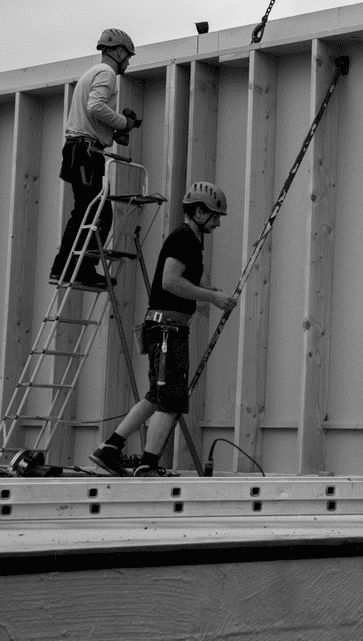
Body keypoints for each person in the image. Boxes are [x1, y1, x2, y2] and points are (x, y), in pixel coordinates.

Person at [89, 182, 238, 476]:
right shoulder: (184, 238)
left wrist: (207, 292)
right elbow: (170, 281)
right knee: (171, 400)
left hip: (166, 327)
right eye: (214, 216)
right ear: (198, 211)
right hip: (168, 329)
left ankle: (109, 449)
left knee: (157, 396)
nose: (218, 223)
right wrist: (213, 297)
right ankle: (147, 464)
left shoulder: (189, 239)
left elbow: (175, 284)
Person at [49, 28, 141, 289]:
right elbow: (96, 106)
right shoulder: (107, 73)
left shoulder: (91, 73)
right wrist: (123, 122)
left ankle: (66, 269)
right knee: (96, 213)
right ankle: (78, 269)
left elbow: (91, 114)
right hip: (85, 153)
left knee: (86, 211)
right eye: (128, 56)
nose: (128, 62)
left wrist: (114, 131)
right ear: (120, 51)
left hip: (80, 150)